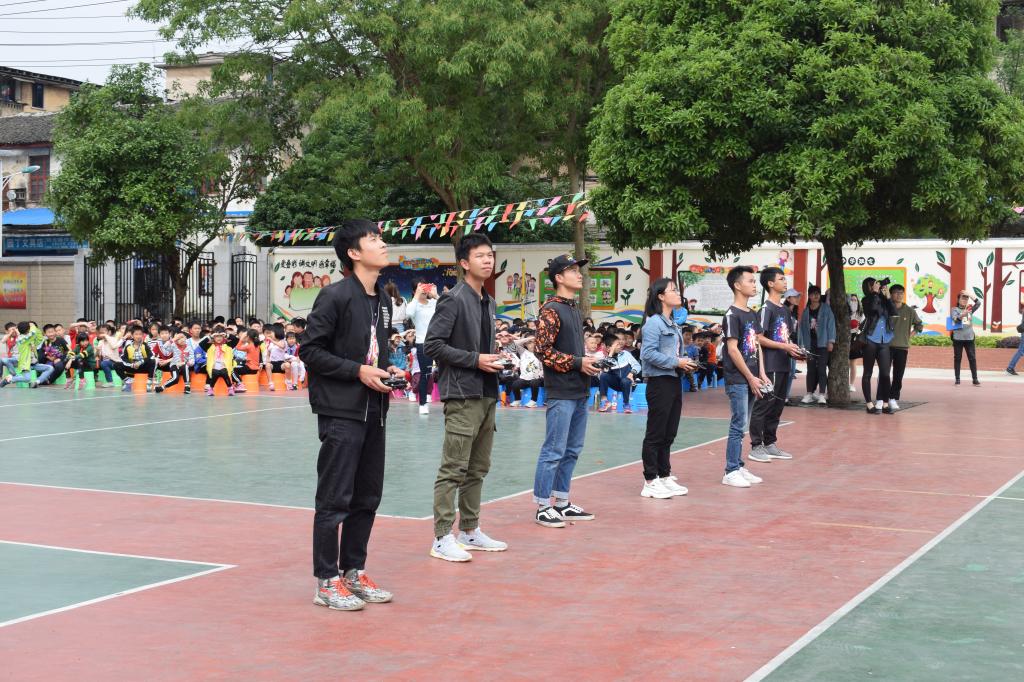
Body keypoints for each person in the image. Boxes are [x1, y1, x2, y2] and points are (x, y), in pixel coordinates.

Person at [299, 219, 396, 611]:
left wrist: (386, 370)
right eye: (373, 239)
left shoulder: (384, 300)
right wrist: (357, 371)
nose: (382, 243)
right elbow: (310, 351)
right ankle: (327, 580)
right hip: (341, 411)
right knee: (335, 498)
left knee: (367, 496)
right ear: (354, 253)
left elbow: (373, 352)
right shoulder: (334, 296)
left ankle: (353, 571)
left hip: (375, 410)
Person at [423, 233, 508, 561]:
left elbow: (479, 347)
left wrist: (495, 357)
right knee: (454, 468)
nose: (488, 260)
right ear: (464, 263)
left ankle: (469, 530)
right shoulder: (453, 299)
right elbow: (433, 345)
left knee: (478, 467)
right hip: (462, 393)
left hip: (487, 391)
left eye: (490, 255)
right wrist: (476, 360)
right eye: (480, 256)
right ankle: (442, 537)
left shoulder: (488, 301)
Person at [532, 255, 601, 527]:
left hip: (579, 388)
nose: (579, 274)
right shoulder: (551, 309)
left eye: (578, 270)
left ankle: (561, 501)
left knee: (572, 449)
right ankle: (542, 506)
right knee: (554, 450)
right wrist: (577, 362)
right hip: (561, 390)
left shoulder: (573, 309)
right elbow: (543, 351)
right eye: (572, 270)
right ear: (558, 278)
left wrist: (586, 361)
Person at [638, 278, 698, 499]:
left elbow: (671, 353)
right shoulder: (654, 323)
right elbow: (647, 354)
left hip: (673, 380)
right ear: (661, 296)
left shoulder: (671, 323)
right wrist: (676, 362)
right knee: (656, 433)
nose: (678, 293)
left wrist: (684, 362)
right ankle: (650, 480)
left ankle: (664, 475)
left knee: (669, 432)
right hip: (659, 382)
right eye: (673, 290)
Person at [748, 267, 802, 463]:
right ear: (770, 283)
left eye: (784, 278)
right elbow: (758, 338)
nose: (785, 282)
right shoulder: (766, 309)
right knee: (764, 404)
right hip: (769, 365)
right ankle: (756, 446)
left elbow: (784, 337)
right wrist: (784, 346)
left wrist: (792, 349)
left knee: (777, 406)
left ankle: (770, 443)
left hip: (784, 364)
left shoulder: (784, 310)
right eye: (781, 279)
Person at [721, 266, 767, 488]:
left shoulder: (751, 313)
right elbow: (732, 349)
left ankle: (738, 466)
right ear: (737, 285)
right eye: (750, 281)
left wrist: (762, 373)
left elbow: (756, 344)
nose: (754, 284)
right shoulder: (731, 315)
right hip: (738, 378)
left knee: (743, 424)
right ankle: (730, 470)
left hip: (751, 376)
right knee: (738, 424)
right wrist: (750, 377)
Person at [860, 277, 897, 413]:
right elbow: (872, 309)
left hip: (885, 340)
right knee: (868, 373)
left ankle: (885, 404)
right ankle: (869, 404)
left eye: (876, 285)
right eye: (873, 285)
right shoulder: (866, 300)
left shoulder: (883, 299)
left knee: (885, 374)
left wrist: (888, 297)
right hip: (870, 339)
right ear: (868, 288)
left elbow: (894, 312)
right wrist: (875, 294)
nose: (876, 287)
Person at [797, 285, 835, 404]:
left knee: (822, 369)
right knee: (811, 369)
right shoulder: (806, 311)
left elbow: (831, 325)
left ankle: (822, 394)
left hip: (823, 343)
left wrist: (831, 341)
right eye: (813, 293)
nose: (816, 295)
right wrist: (802, 345)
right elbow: (801, 329)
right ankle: (809, 393)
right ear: (809, 296)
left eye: (818, 293)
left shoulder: (826, 309)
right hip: (810, 344)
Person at [888, 284, 923, 410]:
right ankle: (883, 397)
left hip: (902, 347)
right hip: (886, 347)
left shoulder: (909, 311)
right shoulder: (886, 309)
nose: (899, 295)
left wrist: (909, 336)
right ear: (891, 294)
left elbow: (919, 325)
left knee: (898, 375)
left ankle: (893, 398)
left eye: (901, 293)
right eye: (896, 292)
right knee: (884, 374)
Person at [406, 280, 439, 414]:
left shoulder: (433, 303)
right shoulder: (414, 305)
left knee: (446, 370)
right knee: (425, 373)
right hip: (423, 343)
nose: (424, 290)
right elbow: (408, 313)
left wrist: (436, 295)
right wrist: (417, 295)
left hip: (439, 342)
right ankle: (423, 403)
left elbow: (449, 307)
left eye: (426, 287)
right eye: (420, 287)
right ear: (415, 290)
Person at [597, 332, 641, 413]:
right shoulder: (607, 358)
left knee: (625, 380)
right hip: (616, 384)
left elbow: (637, 366)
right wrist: (611, 353)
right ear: (609, 348)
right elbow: (605, 369)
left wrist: (632, 373)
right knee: (603, 375)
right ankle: (605, 401)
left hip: (628, 382)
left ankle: (626, 404)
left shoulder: (626, 354)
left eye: (620, 344)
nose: (620, 345)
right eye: (617, 344)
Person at [0, 322, 51, 388]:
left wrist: (35, 329)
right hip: (25, 364)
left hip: (33, 363)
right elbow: (32, 333)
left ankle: (36, 382)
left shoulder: (30, 339)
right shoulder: (22, 339)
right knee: (27, 378)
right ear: (28, 330)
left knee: (49, 368)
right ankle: (10, 379)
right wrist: (33, 326)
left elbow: (40, 338)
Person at [950, 291, 982, 386]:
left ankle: (975, 379)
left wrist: (970, 295)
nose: (964, 300)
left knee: (972, 358)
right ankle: (957, 379)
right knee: (958, 358)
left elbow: (978, 303)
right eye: (962, 298)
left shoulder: (970, 309)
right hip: (958, 338)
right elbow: (955, 319)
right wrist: (962, 315)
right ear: (958, 300)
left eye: (966, 299)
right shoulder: (954, 309)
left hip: (969, 337)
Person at [120, 325, 155, 392]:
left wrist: (140, 362)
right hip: (132, 367)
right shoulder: (128, 346)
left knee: (153, 361)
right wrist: (132, 364)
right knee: (117, 364)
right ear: (132, 335)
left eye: (140, 334)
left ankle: (149, 382)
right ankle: (127, 381)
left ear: (142, 335)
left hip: (143, 367)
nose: (138, 336)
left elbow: (150, 355)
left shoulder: (145, 345)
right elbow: (124, 358)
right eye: (136, 334)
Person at [848, 293, 865, 391]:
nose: (853, 302)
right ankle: (844, 382)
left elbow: (863, 328)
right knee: (844, 362)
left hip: (855, 339)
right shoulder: (845, 313)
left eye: (855, 300)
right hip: (844, 338)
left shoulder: (861, 314)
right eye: (851, 300)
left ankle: (851, 384)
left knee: (853, 363)